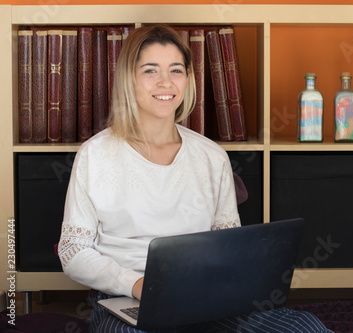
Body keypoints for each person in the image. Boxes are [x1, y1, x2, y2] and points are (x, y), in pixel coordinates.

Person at [58, 24, 331, 333]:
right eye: (150, 71)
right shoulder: (95, 155)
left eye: (176, 70)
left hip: (204, 296)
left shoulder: (211, 156)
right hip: (125, 297)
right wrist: (136, 284)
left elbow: (229, 245)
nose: (165, 82)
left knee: (306, 327)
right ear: (128, 79)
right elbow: (74, 252)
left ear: (188, 79)